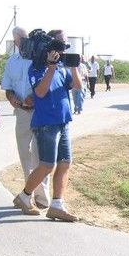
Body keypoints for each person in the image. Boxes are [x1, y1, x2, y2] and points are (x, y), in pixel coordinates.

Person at [13, 29, 82, 222]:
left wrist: (74, 66)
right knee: (46, 165)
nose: (63, 48)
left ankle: (57, 205)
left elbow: (77, 87)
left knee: (65, 163)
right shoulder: (36, 69)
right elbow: (41, 93)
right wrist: (51, 67)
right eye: (60, 43)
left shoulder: (61, 68)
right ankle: (24, 197)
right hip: (46, 124)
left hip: (63, 122)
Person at [0, 26, 51, 209]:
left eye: (26, 37)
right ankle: (28, 194)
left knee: (41, 156)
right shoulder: (12, 61)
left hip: (40, 113)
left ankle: (42, 199)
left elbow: (49, 84)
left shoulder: (39, 59)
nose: (24, 40)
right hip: (21, 113)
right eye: (20, 38)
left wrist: (35, 99)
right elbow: (7, 87)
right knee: (24, 155)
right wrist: (12, 98)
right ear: (15, 41)